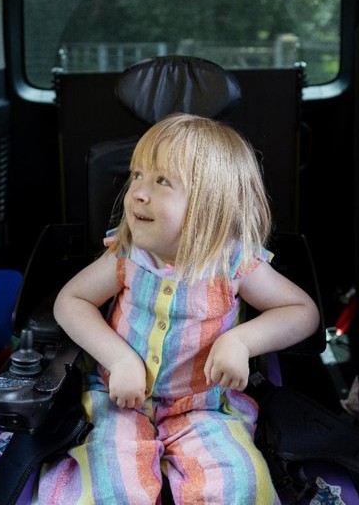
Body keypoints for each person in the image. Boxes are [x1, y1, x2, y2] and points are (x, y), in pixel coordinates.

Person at [37, 113, 319, 504]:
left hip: (204, 407)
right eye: (137, 175)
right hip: (119, 400)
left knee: (240, 485)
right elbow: (71, 302)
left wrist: (241, 341)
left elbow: (301, 311)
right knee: (107, 486)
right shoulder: (127, 255)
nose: (137, 191)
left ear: (210, 204)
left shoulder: (234, 262)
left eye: (161, 181)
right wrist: (119, 359)